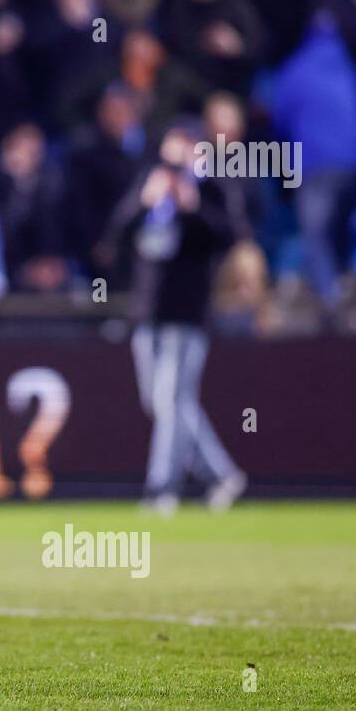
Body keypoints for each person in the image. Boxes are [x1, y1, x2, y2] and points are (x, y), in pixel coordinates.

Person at [98, 121, 246, 517]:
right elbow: (116, 235)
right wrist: (145, 203)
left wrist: (192, 208)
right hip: (148, 312)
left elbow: (229, 235)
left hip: (187, 313)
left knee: (171, 401)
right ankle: (221, 474)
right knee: (163, 403)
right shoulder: (153, 180)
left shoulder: (210, 186)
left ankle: (161, 488)